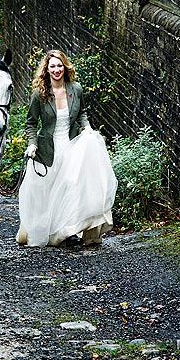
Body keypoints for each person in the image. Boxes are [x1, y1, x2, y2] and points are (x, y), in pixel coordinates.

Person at [16, 49, 117, 247]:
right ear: (46, 69)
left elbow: (82, 114)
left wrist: (87, 129)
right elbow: (30, 123)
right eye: (52, 66)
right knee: (49, 192)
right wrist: (32, 144)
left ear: (65, 66)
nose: (56, 69)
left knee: (71, 186)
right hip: (48, 149)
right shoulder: (40, 94)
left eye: (59, 65)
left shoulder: (75, 89)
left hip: (72, 146)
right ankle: (50, 230)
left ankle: (68, 232)